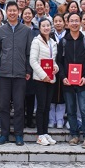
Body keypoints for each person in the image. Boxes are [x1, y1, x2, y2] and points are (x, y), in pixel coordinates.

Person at [0, 1, 33, 146]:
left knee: (19, 106)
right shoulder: (1, 30)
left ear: (18, 12)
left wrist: (28, 70)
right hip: (3, 73)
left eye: (14, 10)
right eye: (9, 10)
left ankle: (18, 134)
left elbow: (29, 52)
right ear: (6, 13)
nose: (12, 13)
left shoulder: (26, 31)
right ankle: (4, 134)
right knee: (3, 105)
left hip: (20, 74)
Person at [57, 12, 85, 149]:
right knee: (71, 110)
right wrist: (63, 77)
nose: (74, 23)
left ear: (80, 22)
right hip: (68, 82)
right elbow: (59, 62)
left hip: (82, 82)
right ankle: (74, 135)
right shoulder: (63, 42)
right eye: (71, 21)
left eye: (76, 21)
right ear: (67, 23)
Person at [30, 18, 59, 146]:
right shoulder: (36, 41)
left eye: (48, 25)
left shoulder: (53, 42)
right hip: (40, 79)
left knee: (47, 107)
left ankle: (45, 132)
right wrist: (43, 75)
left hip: (51, 79)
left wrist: (56, 68)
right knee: (41, 107)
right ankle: (40, 134)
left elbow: (53, 60)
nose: (46, 28)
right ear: (40, 28)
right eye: (43, 26)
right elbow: (33, 61)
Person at [49, 14, 67, 128]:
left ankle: (60, 119)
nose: (58, 23)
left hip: (65, 68)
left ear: (64, 23)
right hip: (51, 69)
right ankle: (51, 119)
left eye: (60, 21)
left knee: (63, 96)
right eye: (56, 21)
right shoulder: (49, 36)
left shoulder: (68, 36)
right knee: (51, 95)